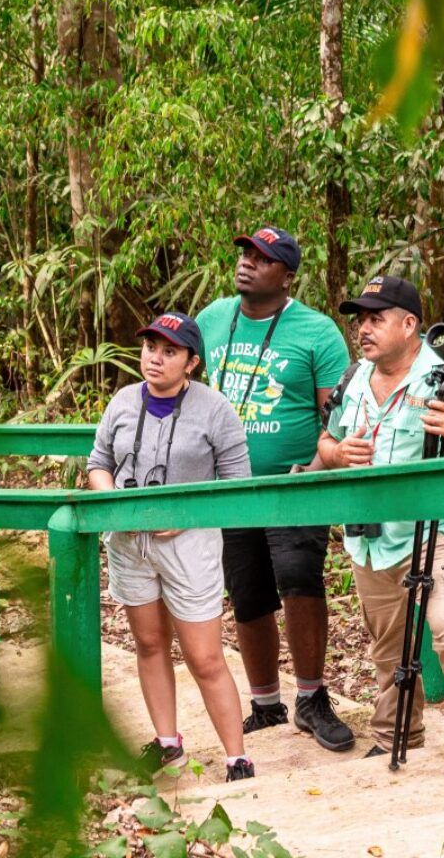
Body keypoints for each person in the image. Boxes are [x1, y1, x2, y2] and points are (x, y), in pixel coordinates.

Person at [316, 275, 444, 777]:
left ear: (409, 324)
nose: (363, 328)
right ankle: (397, 734)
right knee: (386, 645)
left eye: (375, 318)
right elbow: (325, 444)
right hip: (371, 535)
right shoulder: (355, 378)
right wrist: (338, 454)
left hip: (435, 525)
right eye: (360, 319)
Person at [196, 226, 355, 752]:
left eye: (262, 258)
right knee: (247, 592)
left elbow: (338, 414)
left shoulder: (317, 332)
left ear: (286, 275)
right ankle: (266, 702)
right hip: (229, 486)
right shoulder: (213, 319)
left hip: (293, 483)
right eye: (244, 253)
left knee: (297, 580)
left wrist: (313, 467)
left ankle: (311, 697)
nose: (247, 263)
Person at [87, 311, 255, 782]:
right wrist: (115, 501)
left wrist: (183, 518)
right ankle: (167, 744)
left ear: (191, 363)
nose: (155, 359)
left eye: (169, 351)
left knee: (204, 657)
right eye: (149, 348)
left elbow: (237, 485)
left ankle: (237, 759)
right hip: (129, 543)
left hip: (191, 546)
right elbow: (99, 462)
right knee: (148, 642)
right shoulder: (121, 402)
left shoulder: (215, 409)